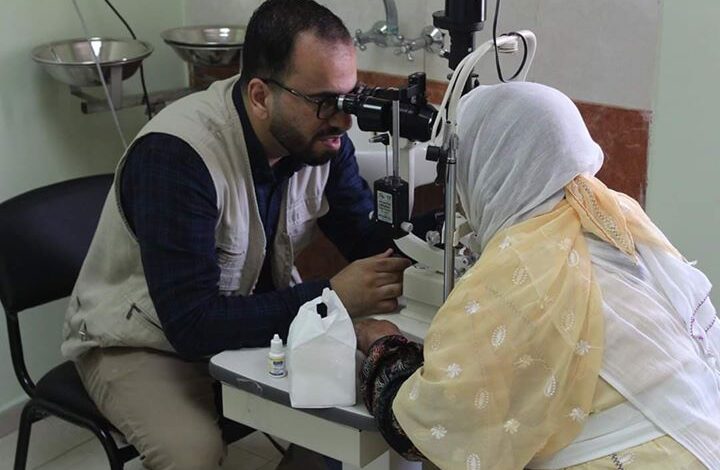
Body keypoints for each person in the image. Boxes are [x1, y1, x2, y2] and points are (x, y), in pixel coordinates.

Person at [61, 1, 411, 469]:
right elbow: (192, 325)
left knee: (357, 402)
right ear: (261, 96)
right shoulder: (177, 158)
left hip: (251, 317)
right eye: (325, 102)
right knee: (193, 453)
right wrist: (331, 298)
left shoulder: (319, 140)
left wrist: (428, 252)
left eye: (349, 98)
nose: (343, 121)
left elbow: (364, 236)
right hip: (144, 340)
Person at [354, 82, 720, 469]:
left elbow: (426, 427)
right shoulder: (613, 221)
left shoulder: (519, 266)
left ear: (485, 166)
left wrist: (384, 347)